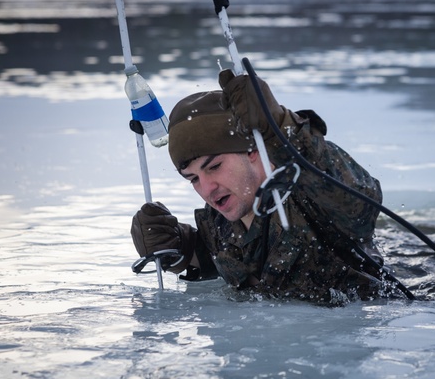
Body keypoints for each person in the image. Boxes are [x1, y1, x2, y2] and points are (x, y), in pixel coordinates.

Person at [131, 69, 395, 305]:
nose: (207, 189)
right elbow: (217, 258)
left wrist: (283, 129)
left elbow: (360, 204)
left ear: (253, 151)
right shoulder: (220, 224)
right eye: (193, 178)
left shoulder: (307, 195)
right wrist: (178, 248)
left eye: (214, 167)